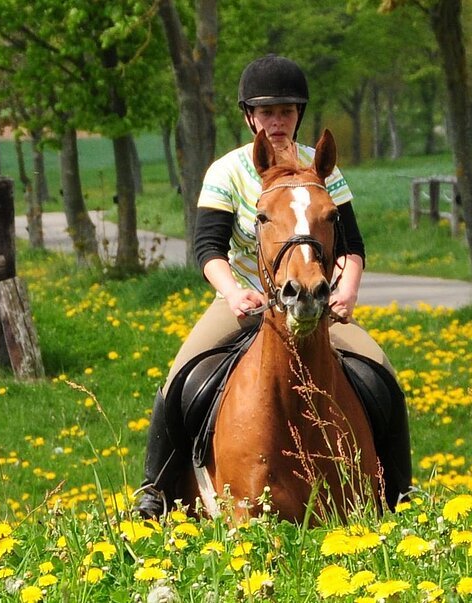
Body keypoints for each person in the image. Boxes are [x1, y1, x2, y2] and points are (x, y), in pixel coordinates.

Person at [135, 55, 401, 519]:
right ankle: (154, 491)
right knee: (179, 379)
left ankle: (400, 490)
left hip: (316, 299)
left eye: (286, 111)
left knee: (381, 374)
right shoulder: (228, 171)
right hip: (245, 299)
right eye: (266, 112)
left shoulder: (324, 170)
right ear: (249, 117)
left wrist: (348, 288)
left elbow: (351, 244)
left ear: (298, 115)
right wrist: (234, 292)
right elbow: (207, 248)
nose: (276, 121)